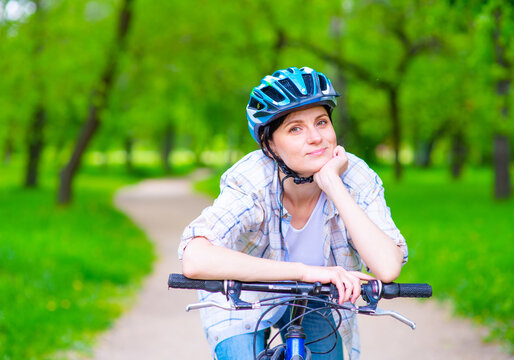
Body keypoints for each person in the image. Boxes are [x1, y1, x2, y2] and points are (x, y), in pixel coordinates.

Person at [178, 66, 408, 360]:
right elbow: (195, 258)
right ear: (270, 146)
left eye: (322, 122)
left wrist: (334, 185)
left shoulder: (356, 177)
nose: (316, 137)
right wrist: (305, 272)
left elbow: (387, 267)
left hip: (316, 298)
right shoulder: (252, 179)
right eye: (295, 128)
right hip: (243, 297)